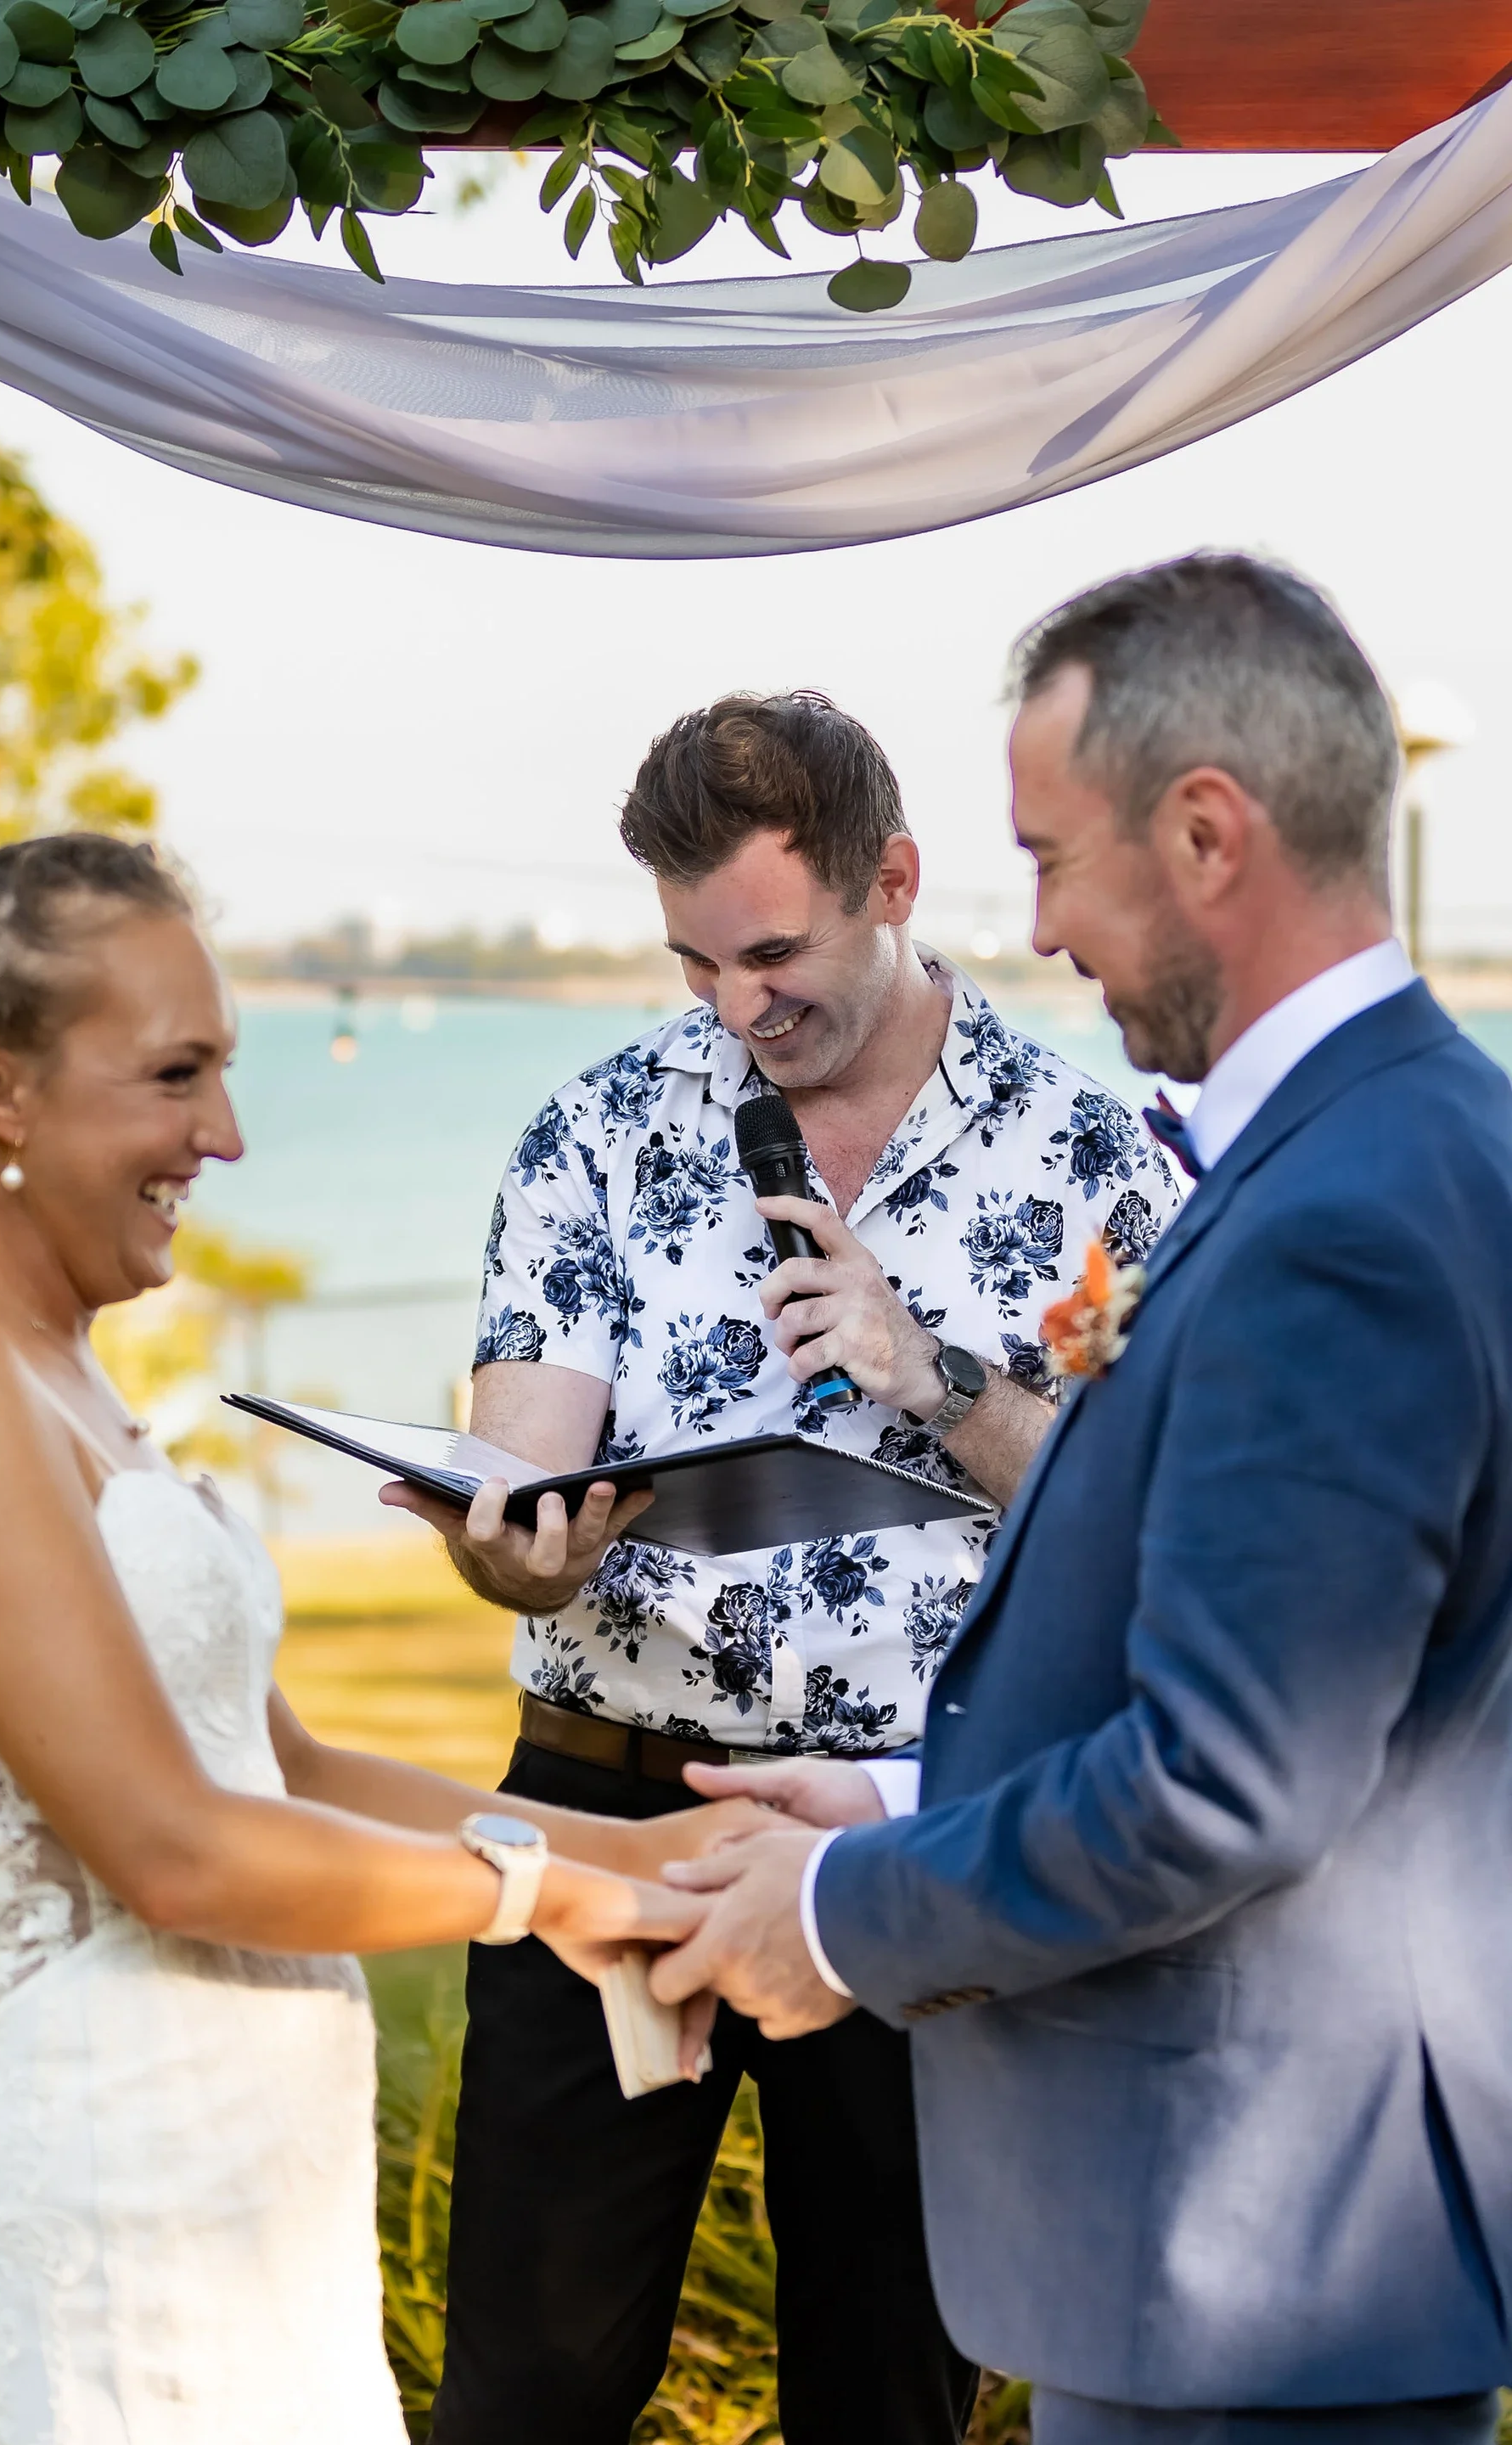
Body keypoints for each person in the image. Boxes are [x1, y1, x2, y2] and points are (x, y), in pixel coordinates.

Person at [655, 557, 1512, 2445]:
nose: (1037, 928)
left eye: (1053, 858)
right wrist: (903, 1788)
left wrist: (848, 1905)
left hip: (1259, 2240)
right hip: (1233, 2239)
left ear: (1207, 835)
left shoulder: (1348, 1213)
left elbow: (1229, 1774)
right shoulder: (1383, 1139)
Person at [0, 834, 759, 2445]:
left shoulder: (63, 1372)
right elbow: (177, 1852)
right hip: (128, 2176)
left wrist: (655, 1852)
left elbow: (284, 1765)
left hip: (249, 2182)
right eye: (176, 1076)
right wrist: (553, 1893)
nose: (223, 1134)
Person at [385, 691, 1181, 2445]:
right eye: (695, 968)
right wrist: (519, 1552)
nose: (739, 1012)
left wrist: (931, 1374)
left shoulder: (1090, 1156)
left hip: (921, 1829)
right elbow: (526, 1452)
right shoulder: (590, 1130)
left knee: (890, 2396)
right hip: (614, 1829)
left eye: (772, 954)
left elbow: (1149, 1519)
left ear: (891, 878)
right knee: (524, 2395)